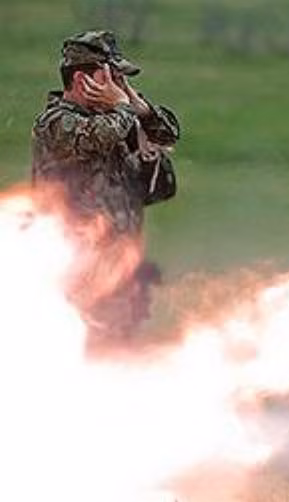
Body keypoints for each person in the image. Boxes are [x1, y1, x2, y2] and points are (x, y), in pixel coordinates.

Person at [31, 29, 181, 345]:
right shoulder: (57, 122)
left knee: (121, 367)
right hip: (79, 281)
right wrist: (123, 109)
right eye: (111, 77)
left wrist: (137, 107)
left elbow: (168, 136)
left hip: (121, 278)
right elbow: (95, 137)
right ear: (84, 79)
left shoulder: (118, 121)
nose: (119, 87)